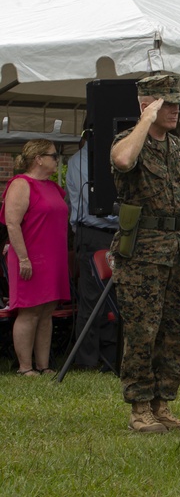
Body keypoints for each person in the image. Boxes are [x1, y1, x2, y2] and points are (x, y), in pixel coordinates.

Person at [109, 75, 180, 432]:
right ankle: (140, 408)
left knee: (176, 330)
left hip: (174, 248)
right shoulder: (127, 140)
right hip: (142, 251)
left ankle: (162, 404)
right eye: (168, 103)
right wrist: (144, 120)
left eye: (177, 103)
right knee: (143, 330)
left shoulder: (176, 147)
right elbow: (124, 160)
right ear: (148, 105)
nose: (175, 109)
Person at [3, 139, 70, 376]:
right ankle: (25, 367)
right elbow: (12, 223)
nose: (57, 160)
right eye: (53, 155)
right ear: (39, 159)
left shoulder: (52, 187)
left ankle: (44, 366)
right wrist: (22, 258)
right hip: (29, 258)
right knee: (29, 311)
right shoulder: (22, 184)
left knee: (46, 312)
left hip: (52, 258)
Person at [66, 132, 119, 370]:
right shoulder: (81, 161)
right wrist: (124, 214)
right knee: (92, 300)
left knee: (114, 299)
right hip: (94, 233)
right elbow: (97, 204)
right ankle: (87, 360)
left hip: (111, 233)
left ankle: (109, 356)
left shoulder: (105, 158)